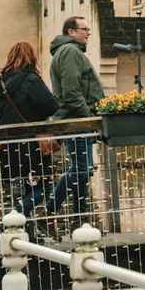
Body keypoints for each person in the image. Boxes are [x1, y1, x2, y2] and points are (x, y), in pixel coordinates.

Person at [0, 41, 60, 220]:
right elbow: (51, 106)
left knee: (17, 187)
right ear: (32, 58)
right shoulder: (32, 79)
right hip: (32, 145)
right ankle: (17, 213)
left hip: (7, 144)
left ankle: (20, 224)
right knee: (42, 188)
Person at [47, 17, 104, 220]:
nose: (88, 32)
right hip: (78, 120)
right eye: (84, 29)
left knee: (82, 169)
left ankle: (78, 215)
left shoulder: (69, 52)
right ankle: (53, 206)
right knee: (83, 168)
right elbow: (72, 91)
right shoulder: (70, 51)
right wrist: (89, 118)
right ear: (71, 31)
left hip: (77, 119)